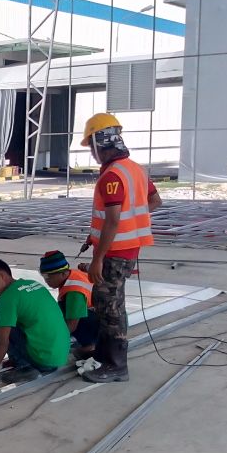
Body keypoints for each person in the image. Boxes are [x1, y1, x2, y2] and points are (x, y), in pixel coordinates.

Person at [78, 113, 162, 383]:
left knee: (110, 307)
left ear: (100, 142)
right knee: (107, 303)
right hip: (127, 249)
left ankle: (116, 365)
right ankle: (105, 356)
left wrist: (97, 258)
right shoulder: (134, 169)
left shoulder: (112, 176)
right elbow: (154, 201)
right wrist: (128, 223)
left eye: (91, 146)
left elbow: (114, 220)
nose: (92, 153)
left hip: (114, 253)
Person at [0, 257, 70, 376]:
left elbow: (2, 341)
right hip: (61, 355)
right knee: (11, 317)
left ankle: (22, 364)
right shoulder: (33, 284)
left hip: (44, 361)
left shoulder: (8, 297)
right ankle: (19, 358)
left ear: (1, 275)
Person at [39, 250, 98, 359]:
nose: (46, 281)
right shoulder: (71, 275)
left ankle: (89, 345)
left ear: (62, 273)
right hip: (102, 319)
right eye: (44, 276)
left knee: (66, 313)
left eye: (48, 277)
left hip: (100, 324)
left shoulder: (74, 292)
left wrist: (52, 344)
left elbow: (72, 324)